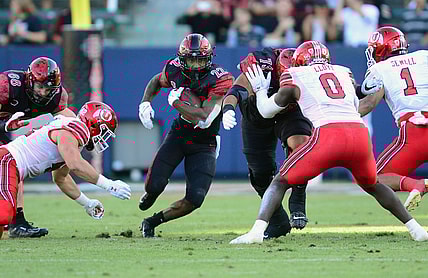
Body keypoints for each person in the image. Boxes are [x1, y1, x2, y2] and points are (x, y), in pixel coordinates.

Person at [230, 40, 428, 244]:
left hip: (329, 136)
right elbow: (356, 104)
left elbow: (265, 111)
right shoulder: (344, 72)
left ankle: (256, 232)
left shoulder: (295, 74)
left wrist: (261, 91)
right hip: (359, 135)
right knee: (373, 184)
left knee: (279, 182)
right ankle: (416, 229)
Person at [138, 33, 233, 237]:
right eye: (191, 59)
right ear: (182, 59)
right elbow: (156, 81)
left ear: (209, 58)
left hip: (205, 141)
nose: (196, 65)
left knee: (195, 198)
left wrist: (176, 103)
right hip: (180, 134)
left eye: (200, 60)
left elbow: (204, 118)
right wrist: (145, 102)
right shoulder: (173, 69)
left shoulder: (220, 78)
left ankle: (152, 221)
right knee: (154, 185)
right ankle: (151, 194)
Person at [0, 101, 132, 239]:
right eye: (104, 132)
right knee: (3, 217)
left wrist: (87, 203)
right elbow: (75, 164)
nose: (102, 138)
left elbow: (61, 178)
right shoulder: (74, 130)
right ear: (93, 125)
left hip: (11, 166)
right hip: (7, 161)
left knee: (4, 218)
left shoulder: (71, 133)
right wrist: (110, 186)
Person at [222, 47, 311, 238]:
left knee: (301, 145)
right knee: (260, 174)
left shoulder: (308, 63)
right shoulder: (262, 63)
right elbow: (238, 88)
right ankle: (278, 221)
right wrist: (228, 108)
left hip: (289, 112)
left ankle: (297, 199)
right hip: (256, 117)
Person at [0, 56, 77, 238]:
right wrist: (4, 126)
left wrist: (82, 135)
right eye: (40, 87)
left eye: (48, 88)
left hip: (6, 128)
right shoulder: (6, 86)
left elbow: (69, 118)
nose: (43, 93)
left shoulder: (58, 97)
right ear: (29, 81)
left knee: (14, 165)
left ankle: (17, 223)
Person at [359, 26, 428, 211]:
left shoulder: (380, 68)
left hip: (414, 132)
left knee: (373, 178)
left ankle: (415, 185)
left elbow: (368, 104)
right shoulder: (424, 57)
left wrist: (339, 115)